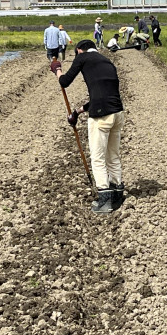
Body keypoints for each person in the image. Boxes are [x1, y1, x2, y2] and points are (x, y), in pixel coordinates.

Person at [50, 39, 125, 215]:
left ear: (79, 51)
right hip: (117, 113)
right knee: (112, 156)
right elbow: (103, 94)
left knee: (98, 158)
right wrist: (78, 111)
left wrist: (57, 69)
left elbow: (65, 82)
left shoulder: (82, 58)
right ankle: (117, 193)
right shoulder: (106, 61)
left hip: (101, 116)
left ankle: (104, 200)